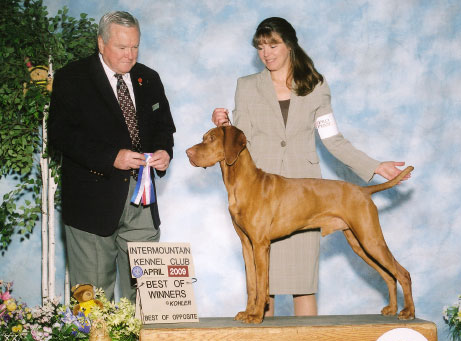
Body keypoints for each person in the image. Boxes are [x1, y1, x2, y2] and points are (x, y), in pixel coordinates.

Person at [212, 17, 410, 317]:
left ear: (289, 44)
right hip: (262, 193)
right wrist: (226, 126)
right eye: (261, 47)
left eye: (273, 45)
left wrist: (374, 166)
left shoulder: (314, 85)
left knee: (302, 283)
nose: (266, 53)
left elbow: (333, 140)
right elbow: (241, 138)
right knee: (267, 283)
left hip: (306, 197)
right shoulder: (247, 86)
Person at [48, 11, 175, 302]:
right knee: (92, 298)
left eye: (135, 46)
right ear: (101, 43)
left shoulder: (149, 78)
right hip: (92, 200)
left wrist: (164, 152)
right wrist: (110, 157)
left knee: (146, 295)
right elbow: (61, 135)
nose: (130, 55)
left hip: (141, 199)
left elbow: (163, 128)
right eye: (122, 47)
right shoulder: (72, 78)